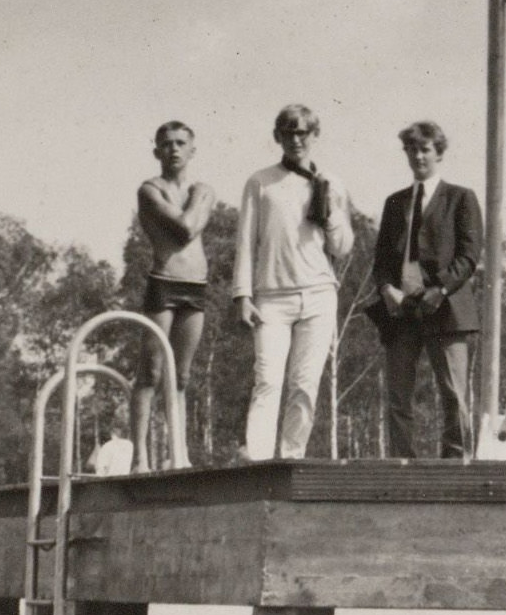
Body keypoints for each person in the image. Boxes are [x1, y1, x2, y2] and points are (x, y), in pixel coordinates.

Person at [233, 105, 354, 462]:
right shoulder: (260, 182)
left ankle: (291, 458)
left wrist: (330, 211)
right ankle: (257, 462)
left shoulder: (330, 182)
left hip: (318, 295)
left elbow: (343, 248)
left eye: (304, 132)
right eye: (289, 132)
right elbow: (245, 240)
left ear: (315, 136)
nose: (296, 139)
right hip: (272, 297)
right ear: (277, 137)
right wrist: (242, 294)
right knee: (267, 381)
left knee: (304, 385)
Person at [370, 122, 484, 459]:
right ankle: (402, 463)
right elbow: (381, 260)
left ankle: (456, 463)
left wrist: (441, 289)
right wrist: (387, 288)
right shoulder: (395, 203)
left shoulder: (460, 198)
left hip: (445, 309)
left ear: (439, 153)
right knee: (398, 397)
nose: (418, 156)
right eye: (412, 150)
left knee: (453, 394)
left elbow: (469, 255)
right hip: (401, 311)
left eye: (426, 150)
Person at [130, 120, 216, 472]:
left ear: (192, 150)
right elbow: (184, 229)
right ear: (157, 151)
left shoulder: (204, 190)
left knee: (181, 377)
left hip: (195, 286)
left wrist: (194, 199)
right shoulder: (149, 190)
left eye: (181, 143)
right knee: (151, 371)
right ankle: (140, 458)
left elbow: (191, 224)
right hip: (164, 281)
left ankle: (178, 454)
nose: (174, 149)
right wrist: (195, 202)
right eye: (167, 144)